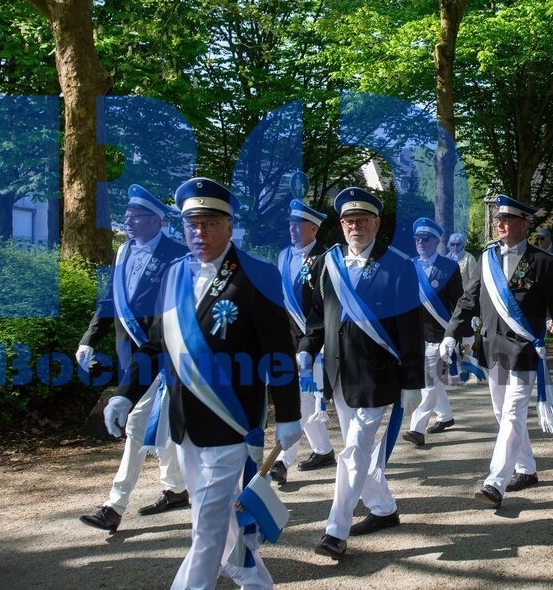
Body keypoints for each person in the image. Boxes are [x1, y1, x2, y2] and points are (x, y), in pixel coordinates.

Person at [106, 177, 302, 589]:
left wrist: (288, 416)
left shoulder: (256, 274)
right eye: (192, 224)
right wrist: (124, 395)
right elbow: (157, 345)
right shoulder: (173, 274)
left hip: (230, 423)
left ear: (229, 225)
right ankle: (256, 582)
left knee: (206, 526)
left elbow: (279, 355)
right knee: (219, 517)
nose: (201, 232)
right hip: (184, 424)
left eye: (211, 223)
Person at [300, 187, 424, 560]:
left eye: (363, 220)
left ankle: (335, 530)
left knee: (353, 451)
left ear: (377, 224)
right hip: (337, 373)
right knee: (359, 451)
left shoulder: (399, 265)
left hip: (377, 374)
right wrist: (306, 350)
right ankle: (384, 509)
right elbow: (318, 318)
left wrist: (414, 382)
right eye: (349, 220)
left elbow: (411, 328)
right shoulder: (326, 264)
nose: (355, 226)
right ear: (341, 225)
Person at [442, 195, 553, 508]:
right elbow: (467, 300)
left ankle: (494, 483)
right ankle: (526, 468)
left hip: (525, 350)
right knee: (503, 414)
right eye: (499, 219)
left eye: (508, 220)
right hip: (492, 347)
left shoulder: (543, 261)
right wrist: (451, 332)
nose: (500, 224)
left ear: (524, 225)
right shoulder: (487, 260)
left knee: (513, 412)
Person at [78, 184, 189, 533]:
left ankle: (114, 506)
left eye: (136, 216)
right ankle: (175, 489)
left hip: (167, 355)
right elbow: (110, 302)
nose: (127, 221)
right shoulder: (123, 253)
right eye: (126, 215)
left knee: (139, 423)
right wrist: (88, 340)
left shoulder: (179, 254)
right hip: (134, 357)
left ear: (156, 221)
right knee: (163, 423)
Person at [269, 200, 335, 487]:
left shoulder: (327, 257)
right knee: (303, 404)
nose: (292, 230)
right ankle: (323, 450)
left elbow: (327, 305)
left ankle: (282, 461)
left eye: (299, 225)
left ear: (314, 228)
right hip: (286, 339)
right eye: (290, 225)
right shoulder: (283, 255)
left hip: (313, 341)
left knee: (302, 403)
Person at [403, 217, 463, 447]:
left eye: (426, 238)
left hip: (440, 335)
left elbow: (459, 303)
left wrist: (462, 334)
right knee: (433, 380)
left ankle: (417, 429)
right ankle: (445, 416)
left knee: (428, 381)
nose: (420, 242)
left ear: (437, 241)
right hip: (415, 335)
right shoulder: (410, 266)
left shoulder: (449, 267)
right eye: (417, 238)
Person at [445, 233, 479, 361]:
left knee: (466, 329)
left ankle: (467, 356)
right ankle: (453, 356)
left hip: (465, 301)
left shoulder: (469, 259)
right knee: (452, 327)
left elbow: (473, 282)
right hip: (450, 301)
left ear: (463, 245)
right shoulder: (446, 259)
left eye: (457, 244)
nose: (454, 247)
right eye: (452, 244)